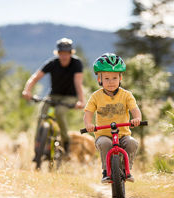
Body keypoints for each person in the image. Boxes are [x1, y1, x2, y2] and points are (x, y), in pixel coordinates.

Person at [83, 53, 142, 183]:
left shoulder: (126, 95)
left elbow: (135, 109)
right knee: (105, 144)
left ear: (120, 78)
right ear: (100, 79)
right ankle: (106, 172)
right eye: (107, 78)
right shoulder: (96, 96)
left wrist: (136, 118)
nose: (111, 82)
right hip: (103, 134)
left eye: (114, 78)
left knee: (132, 143)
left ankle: (127, 170)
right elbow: (88, 112)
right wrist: (88, 124)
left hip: (123, 134)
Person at [22, 37, 85, 157]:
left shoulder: (77, 64)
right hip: (53, 95)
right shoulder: (52, 63)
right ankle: (38, 148)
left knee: (59, 112)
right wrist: (27, 90)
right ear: (58, 53)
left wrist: (81, 101)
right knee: (41, 115)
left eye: (67, 53)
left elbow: (78, 83)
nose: (64, 56)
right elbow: (35, 77)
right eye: (62, 53)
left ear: (71, 53)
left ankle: (66, 143)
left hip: (69, 97)